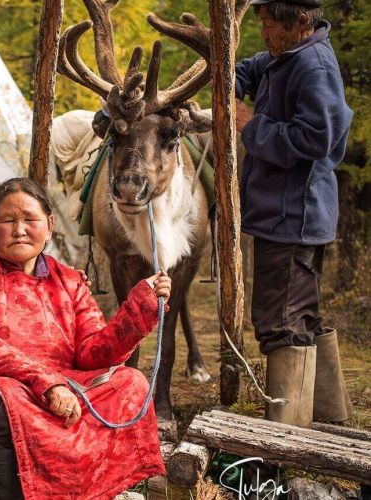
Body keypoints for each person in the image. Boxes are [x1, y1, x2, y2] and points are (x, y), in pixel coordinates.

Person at [0, 178, 169, 500]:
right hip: (11, 385)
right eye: (7, 220)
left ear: (48, 226)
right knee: (3, 399)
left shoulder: (70, 280)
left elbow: (93, 353)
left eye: (30, 220)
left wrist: (139, 310)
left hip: (69, 383)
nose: (19, 229)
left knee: (130, 382)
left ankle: (97, 490)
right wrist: (45, 381)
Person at [236, 0, 353, 427]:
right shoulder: (286, 54)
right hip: (288, 215)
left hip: (292, 219)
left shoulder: (313, 67)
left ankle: (286, 441)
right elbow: (252, 67)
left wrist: (251, 125)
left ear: (300, 22)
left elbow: (315, 139)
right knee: (301, 316)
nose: (264, 32)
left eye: (270, 24)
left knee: (280, 324)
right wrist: (230, 80)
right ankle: (329, 418)